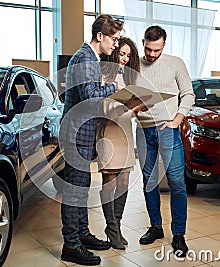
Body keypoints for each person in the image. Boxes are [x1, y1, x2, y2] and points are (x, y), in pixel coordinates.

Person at [59, 15, 124, 266]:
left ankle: (82, 234)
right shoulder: (86, 58)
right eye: (114, 39)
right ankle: (71, 246)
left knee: (82, 188)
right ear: (100, 36)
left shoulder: (89, 58)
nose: (116, 45)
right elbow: (89, 98)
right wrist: (113, 87)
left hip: (82, 133)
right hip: (76, 136)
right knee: (74, 191)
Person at [135, 25, 195, 257]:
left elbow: (188, 93)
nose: (151, 54)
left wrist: (178, 118)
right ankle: (156, 227)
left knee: (176, 182)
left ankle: (178, 234)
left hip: (168, 130)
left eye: (156, 50)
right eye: (149, 49)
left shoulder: (175, 63)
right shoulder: (135, 64)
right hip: (144, 130)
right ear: (143, 43)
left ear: (164, 45)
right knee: (149, 181)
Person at [97, 37, 148, 249]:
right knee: (109, 180)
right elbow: (101, 107)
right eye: (122, 54)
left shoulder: (128, 77)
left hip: (126, 131)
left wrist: (139, 108)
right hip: (108, 131)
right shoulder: (102, 73)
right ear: (114, 52)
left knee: (124, 182)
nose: (125, 59)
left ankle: (115, 226)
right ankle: (111, 225)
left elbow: (129, 108)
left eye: (128, 55)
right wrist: (126, 107)